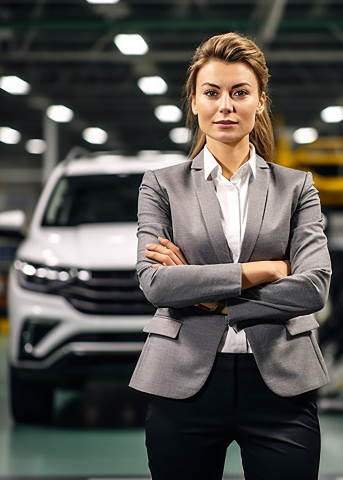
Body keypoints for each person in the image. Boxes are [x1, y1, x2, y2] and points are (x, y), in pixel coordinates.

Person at [129, 32, 332, 480]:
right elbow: (157, 283)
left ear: (259, 102)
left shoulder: (296, 188)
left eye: (240, 93)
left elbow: (313, 287)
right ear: (196, 102)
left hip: (281, 381)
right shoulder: (161, 185)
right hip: (182, 381)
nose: (226, 105)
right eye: (212, 92)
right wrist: (260, 271)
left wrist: (212, 295)